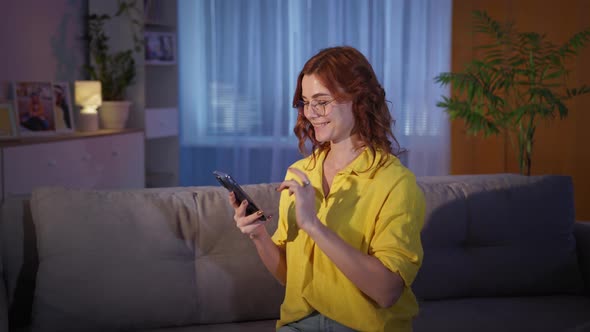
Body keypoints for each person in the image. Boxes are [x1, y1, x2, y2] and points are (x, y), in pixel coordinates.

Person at [229, 46, 425, 332]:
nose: (311, 113)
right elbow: (289, 276)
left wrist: (313, 225)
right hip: (298, 324)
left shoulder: (395, 182)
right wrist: (258, 235)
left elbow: (387, 292)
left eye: (322, 101)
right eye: (307, 102)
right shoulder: (300, 173)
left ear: (359, 98)